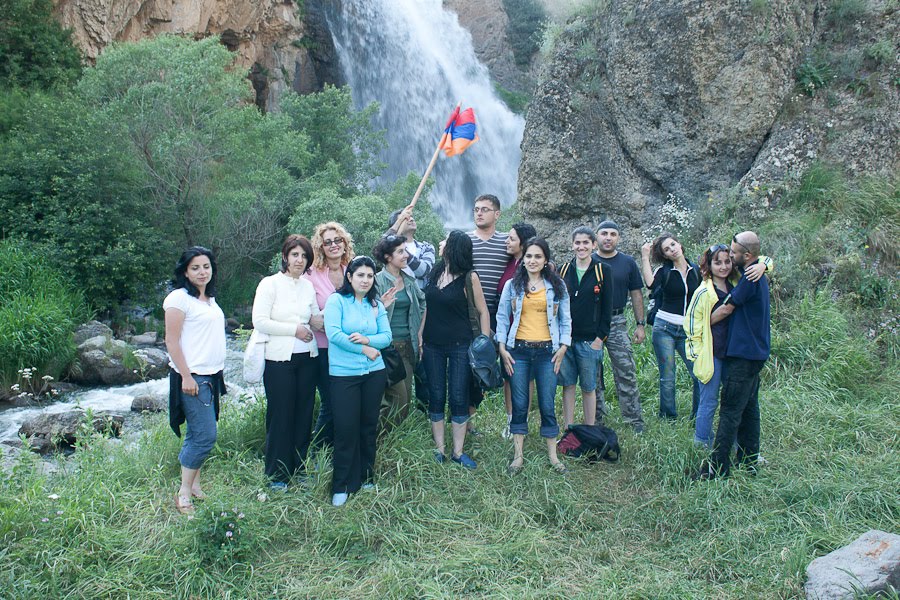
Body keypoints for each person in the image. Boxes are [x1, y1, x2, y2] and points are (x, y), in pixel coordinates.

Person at [693, 232, 771, 480]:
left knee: (729, 411)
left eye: (734, 253)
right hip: (755, 353)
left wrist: (701, 325)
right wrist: (765, 263)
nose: (730, 256)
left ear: (746, 256)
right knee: (749, 407)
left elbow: (727, 308)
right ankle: (748, 460)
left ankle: (718, 468)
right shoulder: (755, 273)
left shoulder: (749, 277)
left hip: (744, 355)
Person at [496, 237, 571, 475]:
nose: (532, 260)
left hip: (548, 353)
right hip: (518, 351)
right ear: (523, 259)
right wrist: (501, 347)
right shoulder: (513, 285)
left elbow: (566, 319)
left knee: (547, 403)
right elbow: (501, 316)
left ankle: (553, 456)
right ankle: (518, 456)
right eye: (528, 256)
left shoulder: (557, 286)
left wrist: (563, 346)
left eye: (538, 256)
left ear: (546, 259)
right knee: (519, 404)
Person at [251, 235, 320, 490]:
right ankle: (277, 475)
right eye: (295, 255)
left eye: (304, 256)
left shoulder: (308, 286)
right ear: (285, 257)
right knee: (281, 416)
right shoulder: (270, 284)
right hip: (278, 360)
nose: (299, 260)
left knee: (303, 414)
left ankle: (299, 469)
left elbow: (315, 317)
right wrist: (294, 330)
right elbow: (260, 321)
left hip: (308, 359)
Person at [324, 256, 392, 506]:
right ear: (350, 277)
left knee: (368, 426)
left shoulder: (376, 304)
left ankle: (366, 477)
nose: (365, 280)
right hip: (344, 374)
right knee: (345, 428)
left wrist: (367, 340)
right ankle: (342, 484)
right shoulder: (337, 301)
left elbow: (386, 337)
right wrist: (364, 349)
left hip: (374, 374)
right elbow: (334, 334)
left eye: (370, 276)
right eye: (360, 275)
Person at [164, 247, 227, 514]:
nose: (202, 272)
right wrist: (186, 376)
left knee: (196, 433)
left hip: (211, 375)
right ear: (185, 272)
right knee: (205, 436)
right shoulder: (179, 298)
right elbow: (171, 341)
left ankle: (195, 486)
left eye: (206, 267)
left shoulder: (209, 299)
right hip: (193, 377)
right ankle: (183, 493)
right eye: (195, 268)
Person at [422, 230, 490, 469]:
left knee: (459, 396)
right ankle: (439, 449)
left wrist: (483, 343)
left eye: (446, 241)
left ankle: (458, 452)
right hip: (432, 344)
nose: (441, 243)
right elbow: (427, 307)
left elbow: (483, 311)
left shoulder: (470, 277)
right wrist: (420, 334)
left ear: (454, 248)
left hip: (460, 345)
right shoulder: (436, 271)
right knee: (436, 394)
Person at [640, 232, 701, 420]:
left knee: (698, 373)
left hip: (688, 329)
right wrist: (645, 256)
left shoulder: (696, 270)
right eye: (667, 249)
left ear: (679, 244)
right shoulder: (664, 271)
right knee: (668, 375)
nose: (672, 250)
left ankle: (698, 416)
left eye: (673, 245)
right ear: (665, 255)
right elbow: (650, 284)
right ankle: (668, 417)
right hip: (664, 327)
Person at [306, 222, 355, 451]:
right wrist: (311, 320)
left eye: (338, 240)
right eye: (328, 242)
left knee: (345, 400)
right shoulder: (311, 274)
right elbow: (302, 307)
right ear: (321, 247)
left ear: (345, 244)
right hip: (323, 347)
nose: (334, 245)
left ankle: (339, 448)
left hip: (349, 346)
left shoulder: (352, 270)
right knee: (330, 400)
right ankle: (318, 450)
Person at [594, 220, 646, 432]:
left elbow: (636, 294)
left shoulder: (627, 262)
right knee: (593, 375)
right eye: (604, 233)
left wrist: (640, 324)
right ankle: (596, 420)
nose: (608, 237)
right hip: (592, 323)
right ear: (597, 236)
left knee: (626, 371)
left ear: (618, 238)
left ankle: (633, 420)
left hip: (617, 322)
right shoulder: (588, 260)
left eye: (613, 234)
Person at [558, 226, 613, 429]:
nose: (581, 247)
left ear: (593, 245)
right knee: (568, 385)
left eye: (585, 243)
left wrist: (600, 339)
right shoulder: (563, 270)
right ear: (572, 245)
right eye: (577, 243)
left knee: (589, 387)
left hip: (590, 341)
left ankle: (589, 429)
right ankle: (569, 429)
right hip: (566, 340)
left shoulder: (602, 270)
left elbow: (607, 308)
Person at [373, 234, 426, 435]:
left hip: (408, 346)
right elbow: (367, 312)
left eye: (406, 250)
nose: (406, 255)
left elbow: (423, 304)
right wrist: (382, 306)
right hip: (386, 349)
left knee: (404, 403)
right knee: (395, 400)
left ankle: (388, 442)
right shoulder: (377, 281)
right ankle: (376, 441)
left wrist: (420, 333)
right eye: (401, 252)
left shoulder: (409, 280)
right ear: (388, 257)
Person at [467, 194, 510, 432]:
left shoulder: (506, 242)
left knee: (508, 366)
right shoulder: (465, 240)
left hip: (501, 312)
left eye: (485, 209)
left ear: (497, 214)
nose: (479, 213)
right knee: (472, 365)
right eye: (476, 209)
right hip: (470, 314)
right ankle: (469, 423)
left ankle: (512, 422)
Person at [496, 222, 537, 438]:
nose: (507, 242)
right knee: (508, 376)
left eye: (511, 239)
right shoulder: (509, 262)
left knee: (526, 378)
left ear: (523, 243)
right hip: (508, 330)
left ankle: (522, 421)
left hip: (527, 331)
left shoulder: (532, 266)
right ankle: (511, 420)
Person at [385, 205, 436, 289]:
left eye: (412, 217)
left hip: (418, 295)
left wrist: (401, 250)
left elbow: (423, 271)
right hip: (392, 293)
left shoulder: (426, 247)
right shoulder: (389, 247)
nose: (411, 219)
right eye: (406, 219)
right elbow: (379, 247)